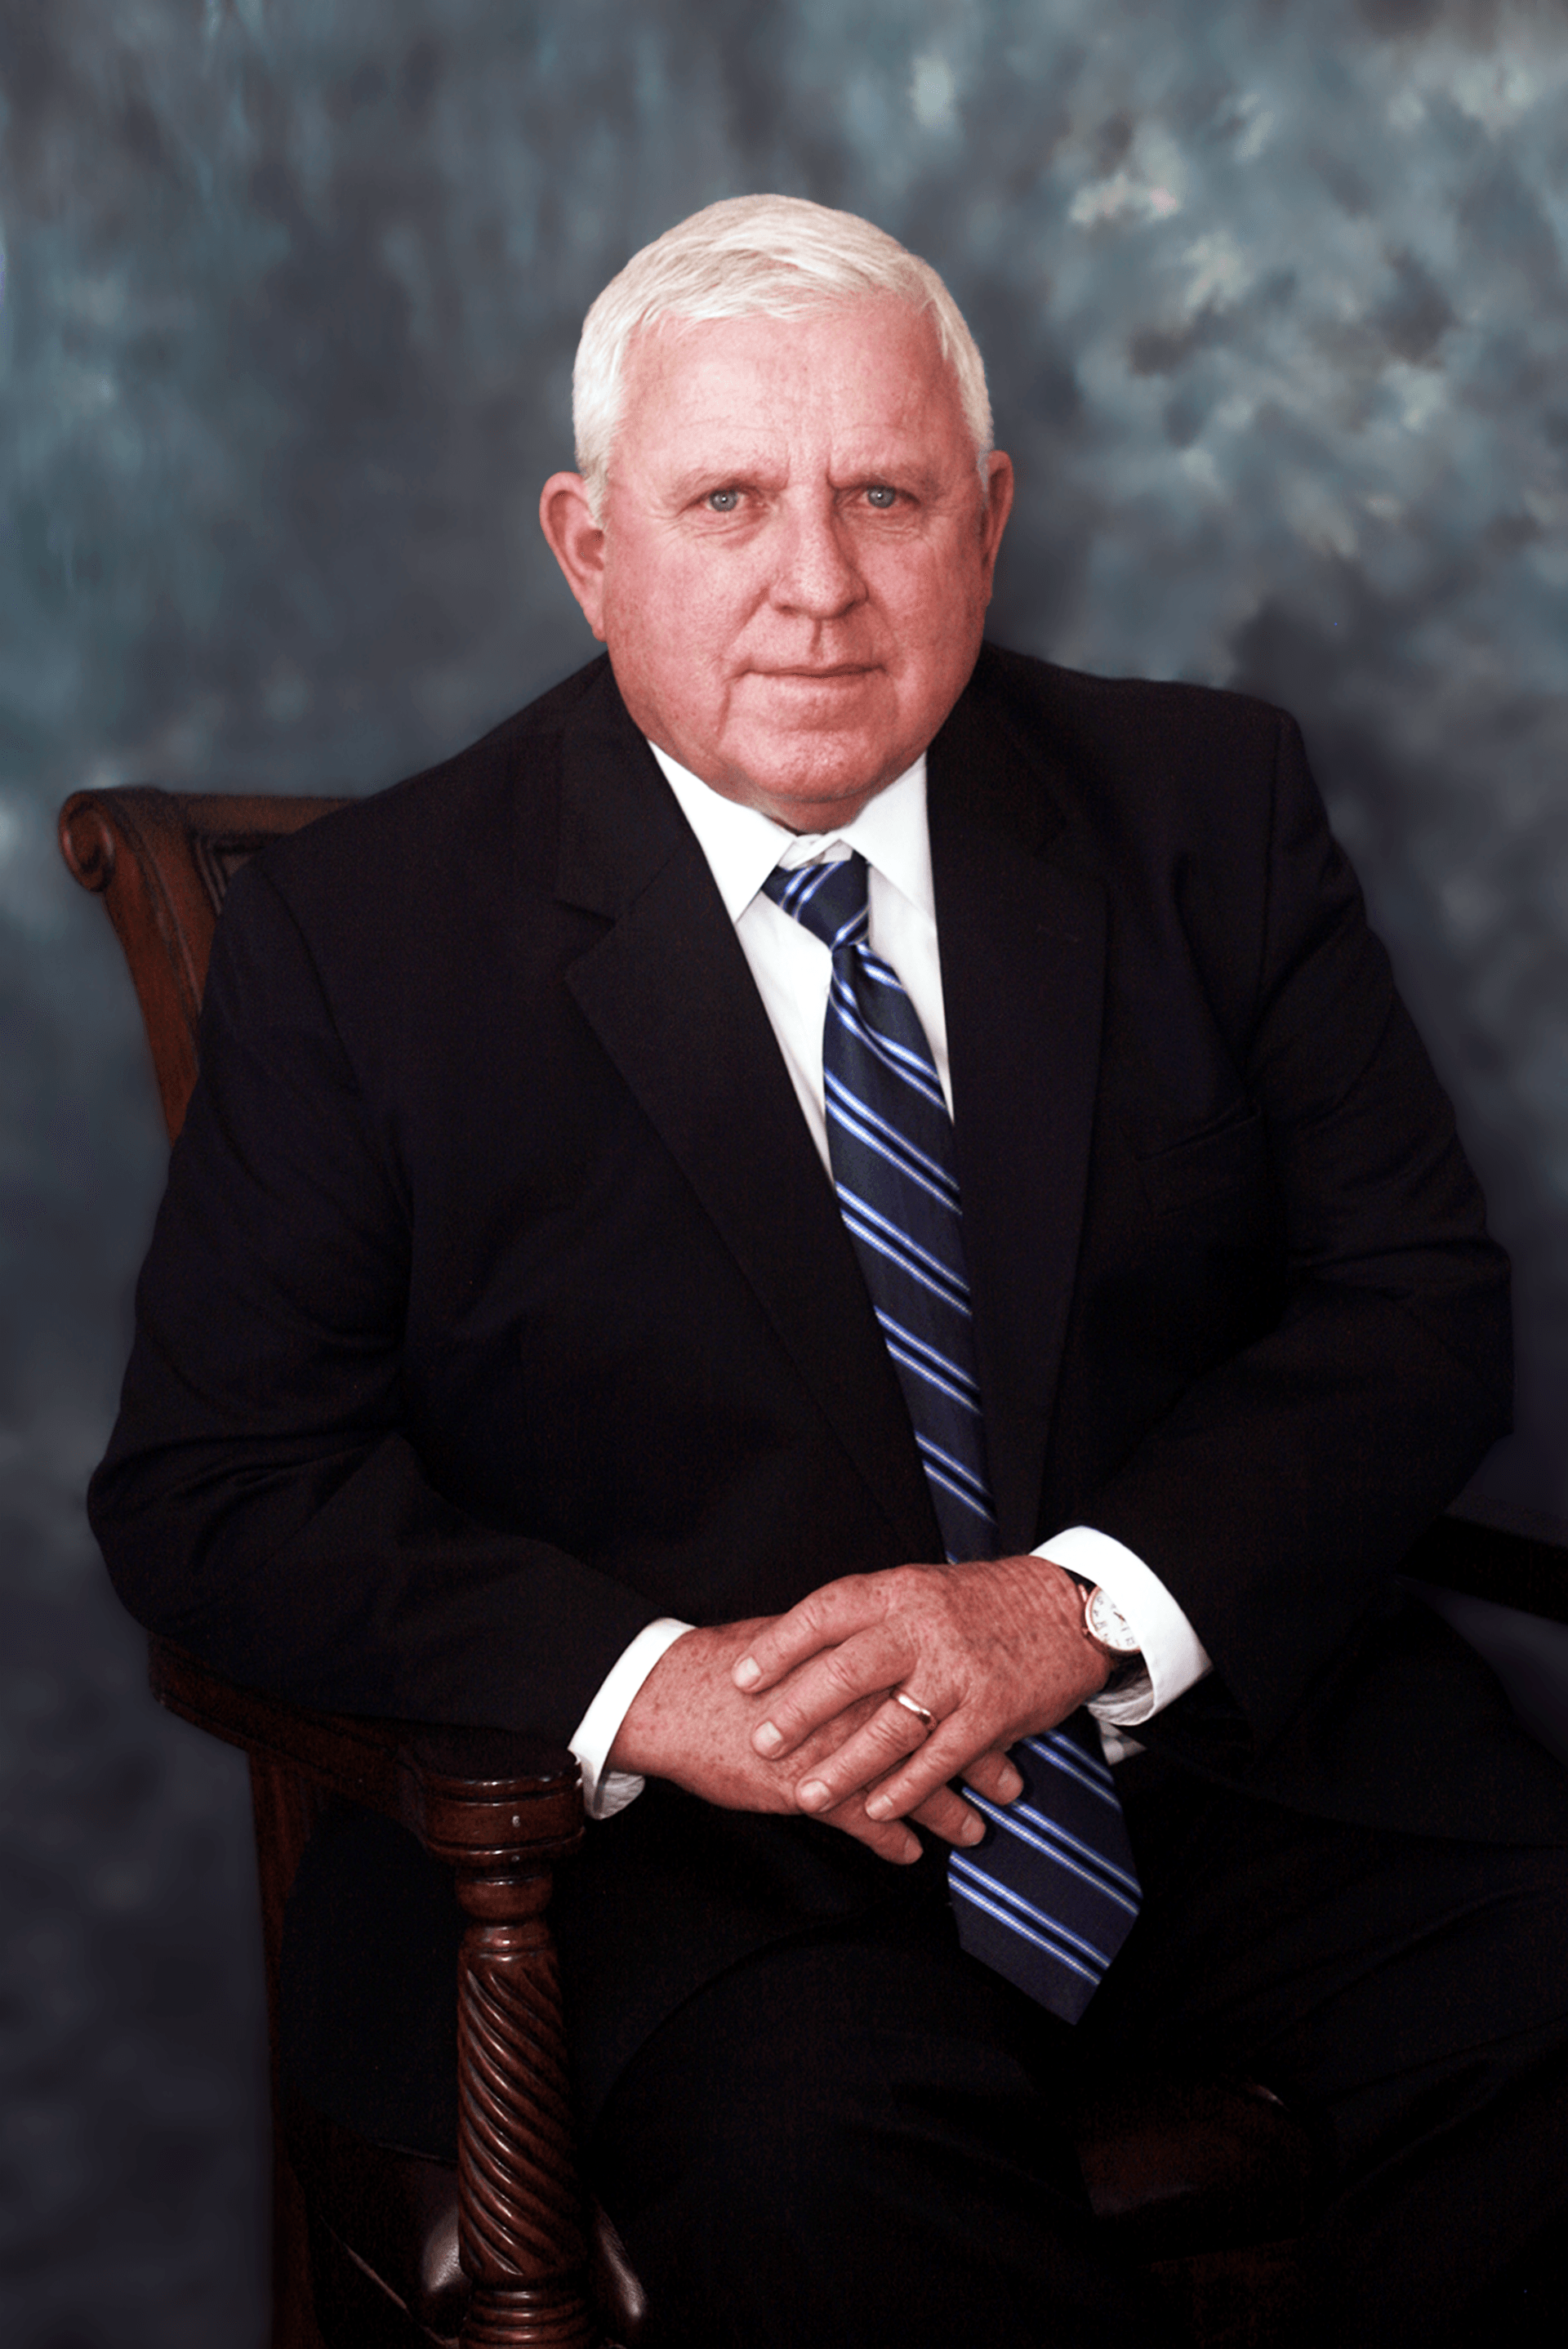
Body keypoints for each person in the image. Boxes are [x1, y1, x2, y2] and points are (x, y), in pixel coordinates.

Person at [91, 196, 1568, 2347]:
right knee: (835, 2175)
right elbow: (217, 1484)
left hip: (1212, 1753)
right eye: (728, 502)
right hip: (688, 1868)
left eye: (885, 494)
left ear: (988, 516)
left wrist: (1080, 1609)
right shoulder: (371, 939)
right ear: (588, 545)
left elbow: (1414, 1306)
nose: (818, 583)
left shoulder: (1201, 804)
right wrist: (652, 1688)